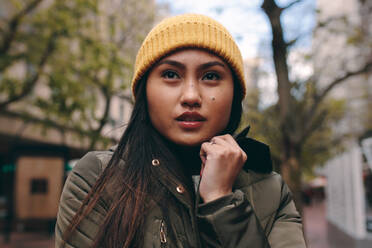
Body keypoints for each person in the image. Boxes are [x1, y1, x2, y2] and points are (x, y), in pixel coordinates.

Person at [55, 14, 306, 248]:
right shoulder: (97, 178)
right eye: (171, 74)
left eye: (210, 76)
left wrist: (222, 203)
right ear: (145, 93)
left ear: (235, 95)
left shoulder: (271, 190)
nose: (191, 96)